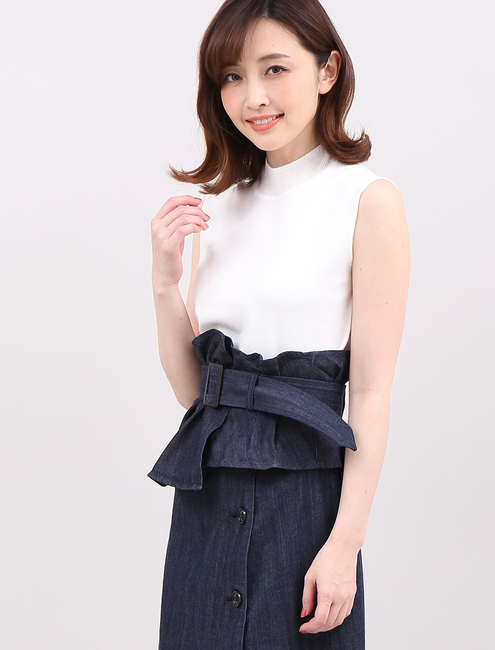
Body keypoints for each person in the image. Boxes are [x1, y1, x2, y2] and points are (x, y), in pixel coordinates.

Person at [148, 0, 410, 648]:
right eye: (232, 76)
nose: (253, 97)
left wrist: (344, 544)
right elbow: (194, 395)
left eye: (274, 69)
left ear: (327, 71)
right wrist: (164, 283)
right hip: (207, 504)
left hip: (306, 511)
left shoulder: (367, 200)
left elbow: (370, 392)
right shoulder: (220, 208)